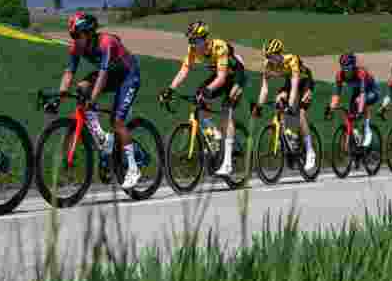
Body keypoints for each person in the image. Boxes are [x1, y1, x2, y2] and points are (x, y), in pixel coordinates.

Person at [45, 11, 142, 189]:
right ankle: (104, 139)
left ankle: (133, 169)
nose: (74, 39)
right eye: (72, 35)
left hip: (128, 76)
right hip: (111, 74)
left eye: (77, 35)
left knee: (117, 121)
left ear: (88, 33)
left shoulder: (106, 43)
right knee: (82, 88)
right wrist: (59, 98)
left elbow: (103, 75)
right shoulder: (76, 47)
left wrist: (93, 99)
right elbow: (69, 73)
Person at [160, 21, 247, 178]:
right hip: (222, 75)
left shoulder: (219, 47)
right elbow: (184, 70)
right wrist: (170, 89)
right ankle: (216, 136)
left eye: (196, 40)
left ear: (204, 38)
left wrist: (207, 90)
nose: (193, 44)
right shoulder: (193, 50)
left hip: (236, 76)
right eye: (191, 41)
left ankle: (227, 164)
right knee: (199, 98)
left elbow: (221, 78)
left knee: (226, 110)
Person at [253, 38, 316, 172]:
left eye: (272, 56)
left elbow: (294, 88)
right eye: (268, 56)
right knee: (279, 100)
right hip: (290, 82)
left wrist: (291, 105)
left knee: (300, 114)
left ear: (280, 53)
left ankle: (310, 151)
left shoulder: (291, 60)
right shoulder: (268, 65)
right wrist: (259, 106)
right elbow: (264, 89)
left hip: (304, 82)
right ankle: (288, 136)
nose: (270, 59)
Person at [326, 53, 379, 148]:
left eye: (348, 66)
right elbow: (336, 94)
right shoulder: (340, 75)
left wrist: (359, 111)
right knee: (350, 114)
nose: (345, 68)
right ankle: (355, 135)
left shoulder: (360, 73)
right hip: (357, 91)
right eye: (343, 66)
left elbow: (363, 94)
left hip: (371, 90)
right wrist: (331, 108)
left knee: (359, 103)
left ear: (353, 65)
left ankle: (368, 130)